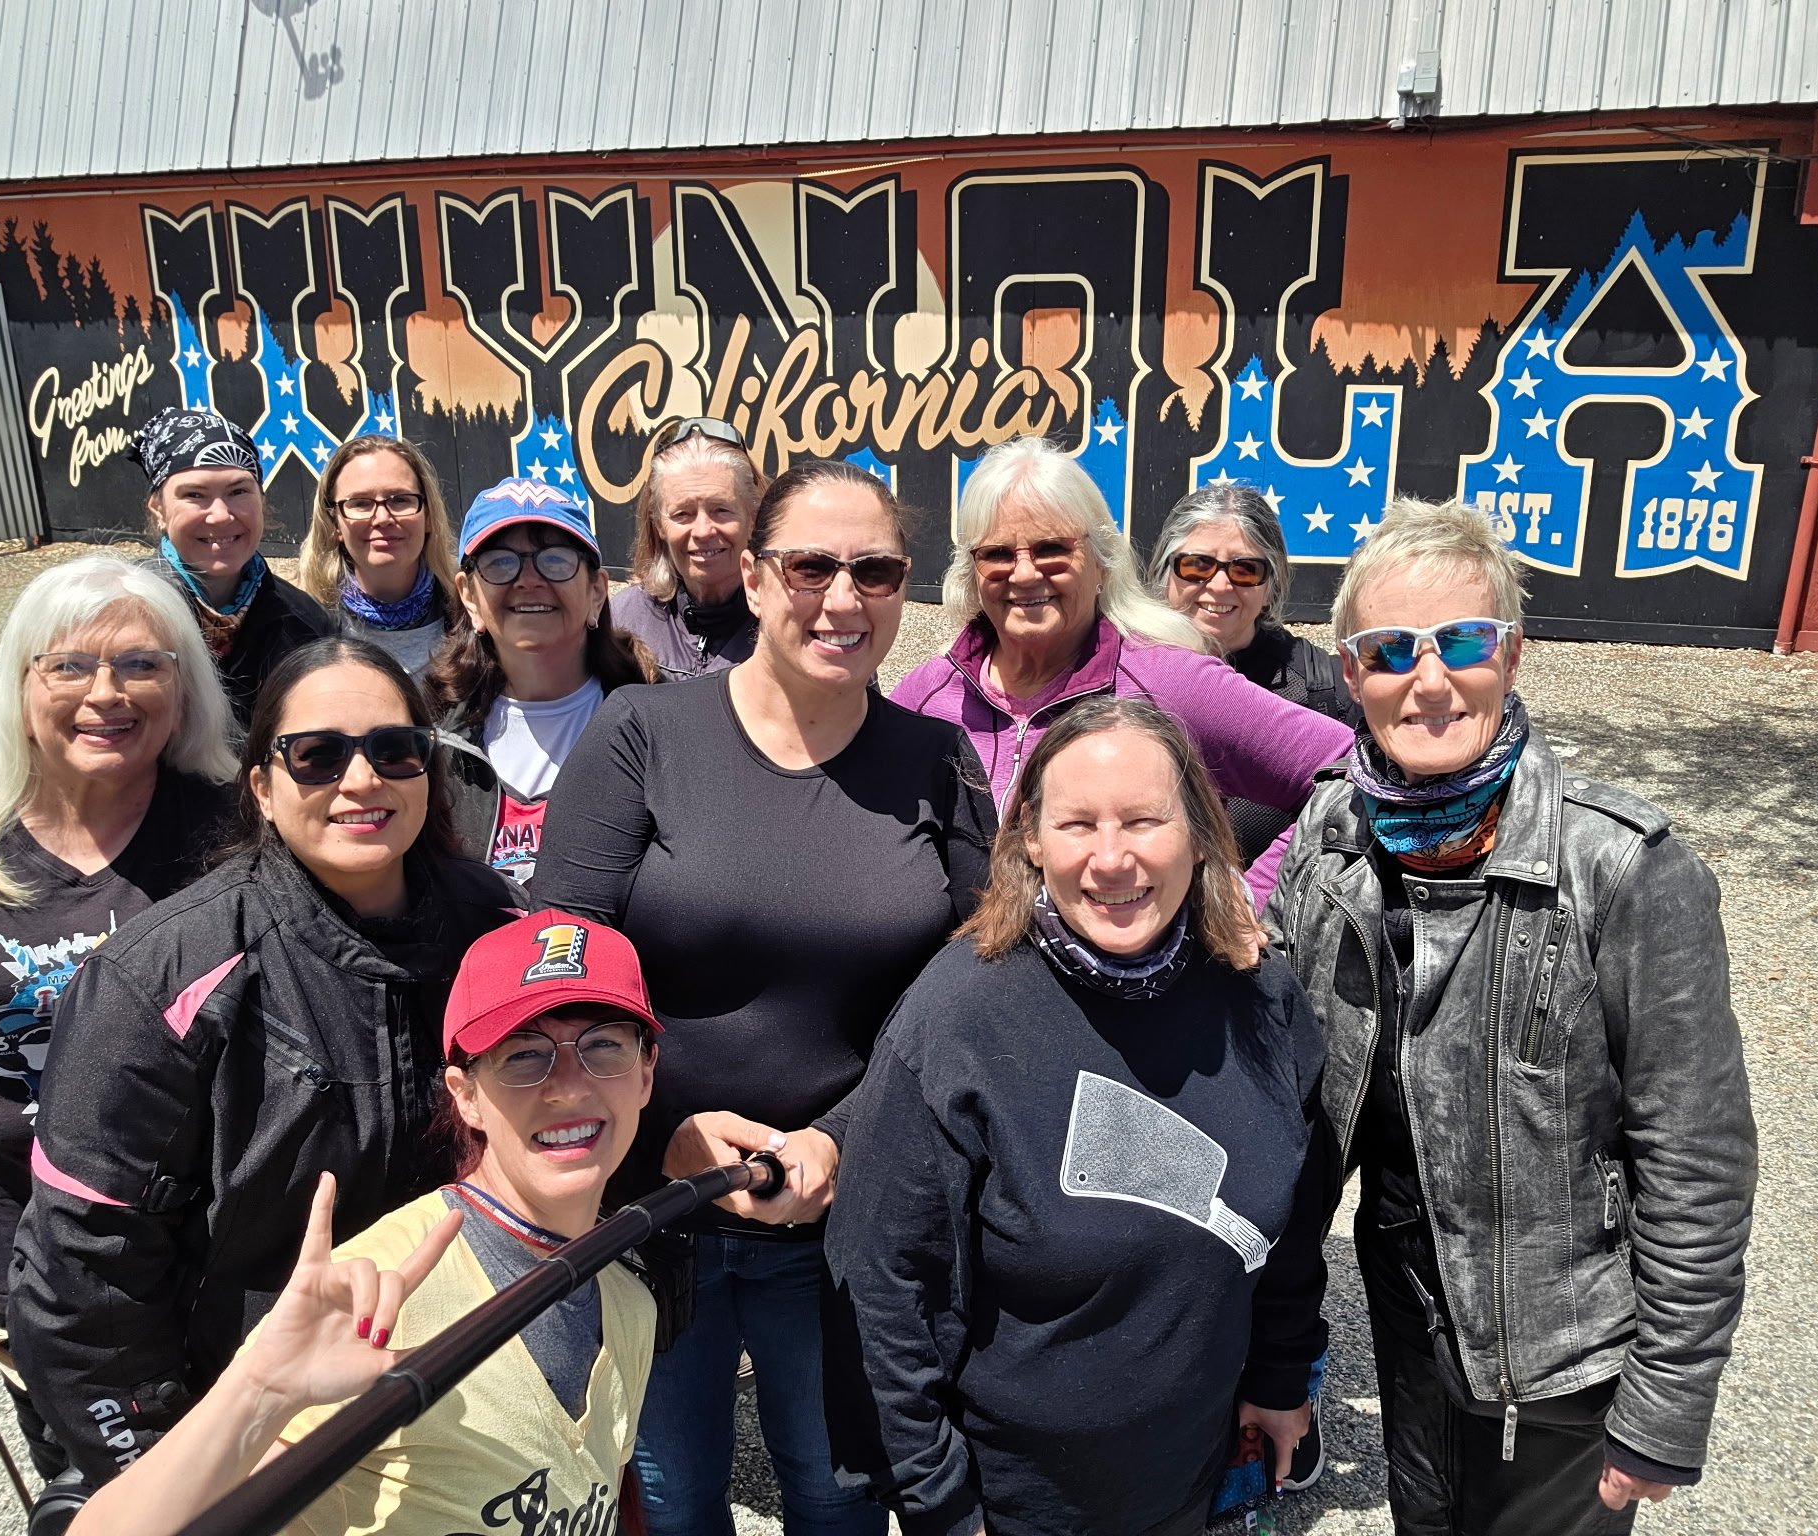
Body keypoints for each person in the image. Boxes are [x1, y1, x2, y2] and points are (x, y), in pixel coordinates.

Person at [1264, 497, 1757, 1536]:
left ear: (1512, 653)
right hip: (1405, 1310)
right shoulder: (1328, 832)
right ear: (1349, 673)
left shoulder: (1619, 867)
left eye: (1463, 642)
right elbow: (1277, 1077)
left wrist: (1665, 1407)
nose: (1429, 678)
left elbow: (1694, 1156)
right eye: (1389, 649)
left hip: (1561, 1357)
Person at [532, 458, 995, 1536]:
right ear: (749, 575)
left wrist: (841, 1135)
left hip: (844, 1215)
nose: (842, 599)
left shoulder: (937, 760)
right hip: (651, 1206)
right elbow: (562, 975)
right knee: (669, 1499)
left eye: (875, 571)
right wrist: (667, 1133)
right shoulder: (644, 737)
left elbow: (971, 991)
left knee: (838, 1502)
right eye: (809, 567)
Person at [7, 637, 518, 1487]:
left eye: (395, 750)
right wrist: (168, 1472)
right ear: (262, 787)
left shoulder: (498, 926)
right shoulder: (159, 976)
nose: (362, 781)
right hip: (258, 1431)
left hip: (468, 1398)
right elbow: (78, 1274)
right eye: (317, 755)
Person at [825, 696, 1332, 1536]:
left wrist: (1280, 1379)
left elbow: (1294, 1221)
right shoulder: (959, 1017)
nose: (1111, 859)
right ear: (1028, 838)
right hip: (1013, 1500)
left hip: (1196, 1476)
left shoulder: (1261, 994)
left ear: (1202, 832)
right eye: (1076, 825)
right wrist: (938, 1499)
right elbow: (883, 1284)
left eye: (1143, 820)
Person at [70, 909, 665, 1536]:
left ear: (646, 1074)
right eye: (524, 1056)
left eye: (603, 1045)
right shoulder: (379, 1297)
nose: (569, 1088)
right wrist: (261, 1391)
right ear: (466, 1095)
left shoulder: (626, 1299)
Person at [0, 556, 235, 1475]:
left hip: (206, 1259)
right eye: (69, 667)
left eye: (142, 665)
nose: (106, 694)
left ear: (184, 685)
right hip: (19, 1259)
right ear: (21, 681)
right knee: (88, 1488)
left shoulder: (238, 832)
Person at [889, 437, 1353, 905]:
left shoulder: (1168, 680)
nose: (1025, 574)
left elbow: (1348, 768)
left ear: (1101, 562)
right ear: (971, 570)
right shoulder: (926, 696)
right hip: (964, 972)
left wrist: (1252, 896)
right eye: (998, 555)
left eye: (1051, 548)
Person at [427, 478, 651, 887]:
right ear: (469, 596)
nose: (529, 580)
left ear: (597, 590)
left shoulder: (658, 724)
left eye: (556, 560)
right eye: (499, 562)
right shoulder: (429, 732)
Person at [129, 406, 336, 726]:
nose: (221, 515)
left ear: (261, 500)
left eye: (238, 491)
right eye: (195, 494)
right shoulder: (121, 612)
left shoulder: (306, 624)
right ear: (158, 509)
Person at [295, 434, 465, 679]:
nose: (383, 518)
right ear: (335, 524)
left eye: (400, 500)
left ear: (428, 516)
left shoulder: (472, 617)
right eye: (360, 503)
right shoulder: (300, 627)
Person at [609, 418, 766, 681]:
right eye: (683, 514)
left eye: (721, 510)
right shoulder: (623, 621)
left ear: (752, 517)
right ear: (658, 524)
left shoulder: (784, 619)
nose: (703, 531)